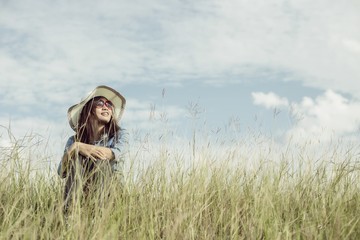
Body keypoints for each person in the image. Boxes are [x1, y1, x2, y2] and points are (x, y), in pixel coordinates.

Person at [57, 85, 127, 215]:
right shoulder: (74, 140)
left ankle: (99, 217)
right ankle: (70, 216)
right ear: (88, 110)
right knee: (76, 158)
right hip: (81, 189)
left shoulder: (119, 135)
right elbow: (61, 172)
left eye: (109, 104)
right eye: (100, 103)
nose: (106, 107)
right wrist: (74, 147)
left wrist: (83, 147)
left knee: (101, 161)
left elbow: (115, 154)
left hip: (110, 191)